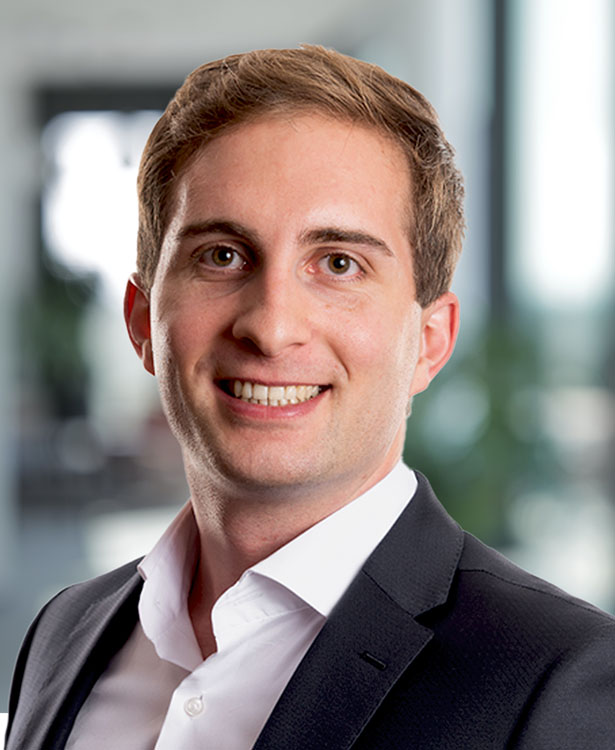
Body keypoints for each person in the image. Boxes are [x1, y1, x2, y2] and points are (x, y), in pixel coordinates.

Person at [6, 45, 615, 750]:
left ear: (429, 341)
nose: (270, 327)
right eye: (222, 255)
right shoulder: (63, 633)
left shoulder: (560, 680)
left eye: (338, 263)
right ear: (143, 322)